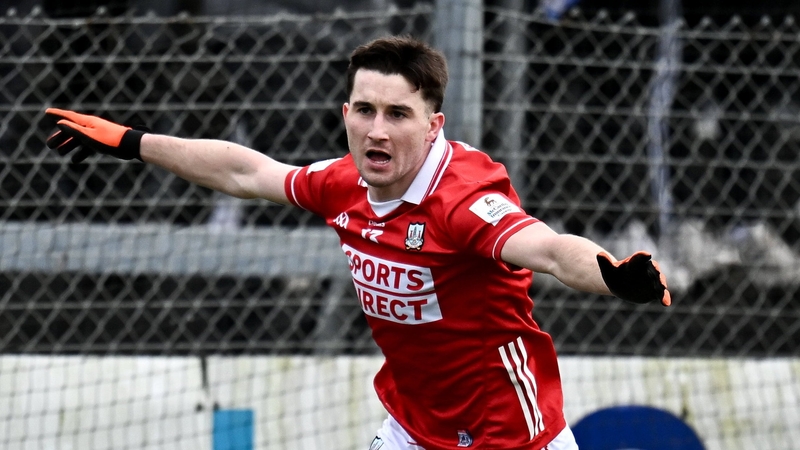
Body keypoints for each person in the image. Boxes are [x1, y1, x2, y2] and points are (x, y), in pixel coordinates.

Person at [45, 35, 671, 450]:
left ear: (433, 126)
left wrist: (610, 273)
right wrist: (131, 142)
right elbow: (247, 171)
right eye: (363, 110)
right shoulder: (344, 182)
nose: (376, 129)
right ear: (345, 111)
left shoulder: (461, 202)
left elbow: (551, 250)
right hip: (410, 423)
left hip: (507, 434)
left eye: (397, 114)